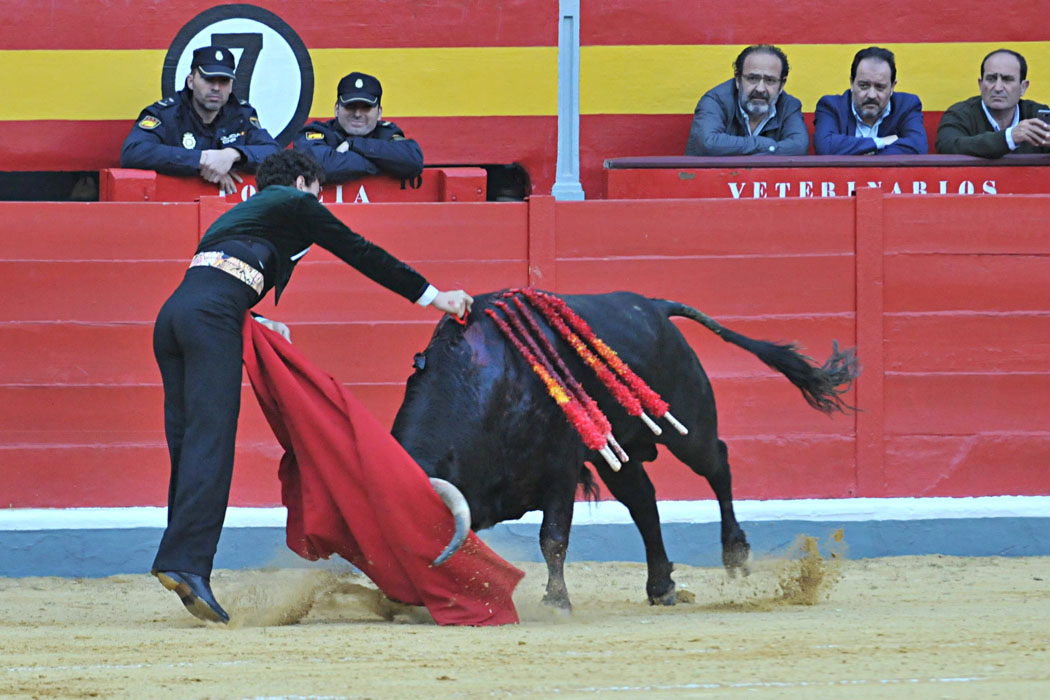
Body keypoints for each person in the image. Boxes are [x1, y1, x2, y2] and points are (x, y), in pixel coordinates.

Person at [150, 149, 472, 624]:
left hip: (174, 319)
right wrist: (433, 296)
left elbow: (214, 278)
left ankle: (177, 558)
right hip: (210, 320)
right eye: (318, 194)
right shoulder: (295, 204)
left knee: (187, 442)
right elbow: (360, 251)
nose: (319, 204)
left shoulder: (242, 214)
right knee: (210, 442)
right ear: (303, 184)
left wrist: (255, 318)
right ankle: (186, 563)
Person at [120, 46, 280, 194]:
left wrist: (232, 155)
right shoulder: (165, 114)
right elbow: (133, 152)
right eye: (208, 79)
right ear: (191, 81)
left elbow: (274, 152)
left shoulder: (241, 114)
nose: (216, 88)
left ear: (231, 86)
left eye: (223, 81)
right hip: (173, 207)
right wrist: (202, 160)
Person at [292, 72, 424, 182]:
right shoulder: (317, 132)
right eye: (350, 106)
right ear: (336, 109)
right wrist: (380, 162)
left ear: (379, 113)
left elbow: (413, 161)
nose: (357, 114)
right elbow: (321, 168)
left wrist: (354, 144)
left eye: (366, 107)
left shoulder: (386, 132)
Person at [685, 44, 809, 156]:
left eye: (770, 80)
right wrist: (766, 146)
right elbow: (709, 143)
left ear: (782, 85)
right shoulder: (715, 100)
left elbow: (799, 147)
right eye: (752, 78)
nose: (760, 89)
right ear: (738, 80)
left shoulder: (789, 105)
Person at [813, 47, 928, 155]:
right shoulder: (831, 106)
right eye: (864, 86)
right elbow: (825, 146)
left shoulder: (907, 105)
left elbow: (918, 147)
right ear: (852, 83)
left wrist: (859, 151)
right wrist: (881, 142)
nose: (872, 95)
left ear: (892, 87)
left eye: (880, 87)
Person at [936, 48, 1050, 157]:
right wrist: (1009, 137)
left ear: (1023, 87)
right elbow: (946, 146)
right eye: (991, 79)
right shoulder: (960, 114)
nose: (998, 88)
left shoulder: (1036, 114)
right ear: (981, 85)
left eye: (1007, 79)